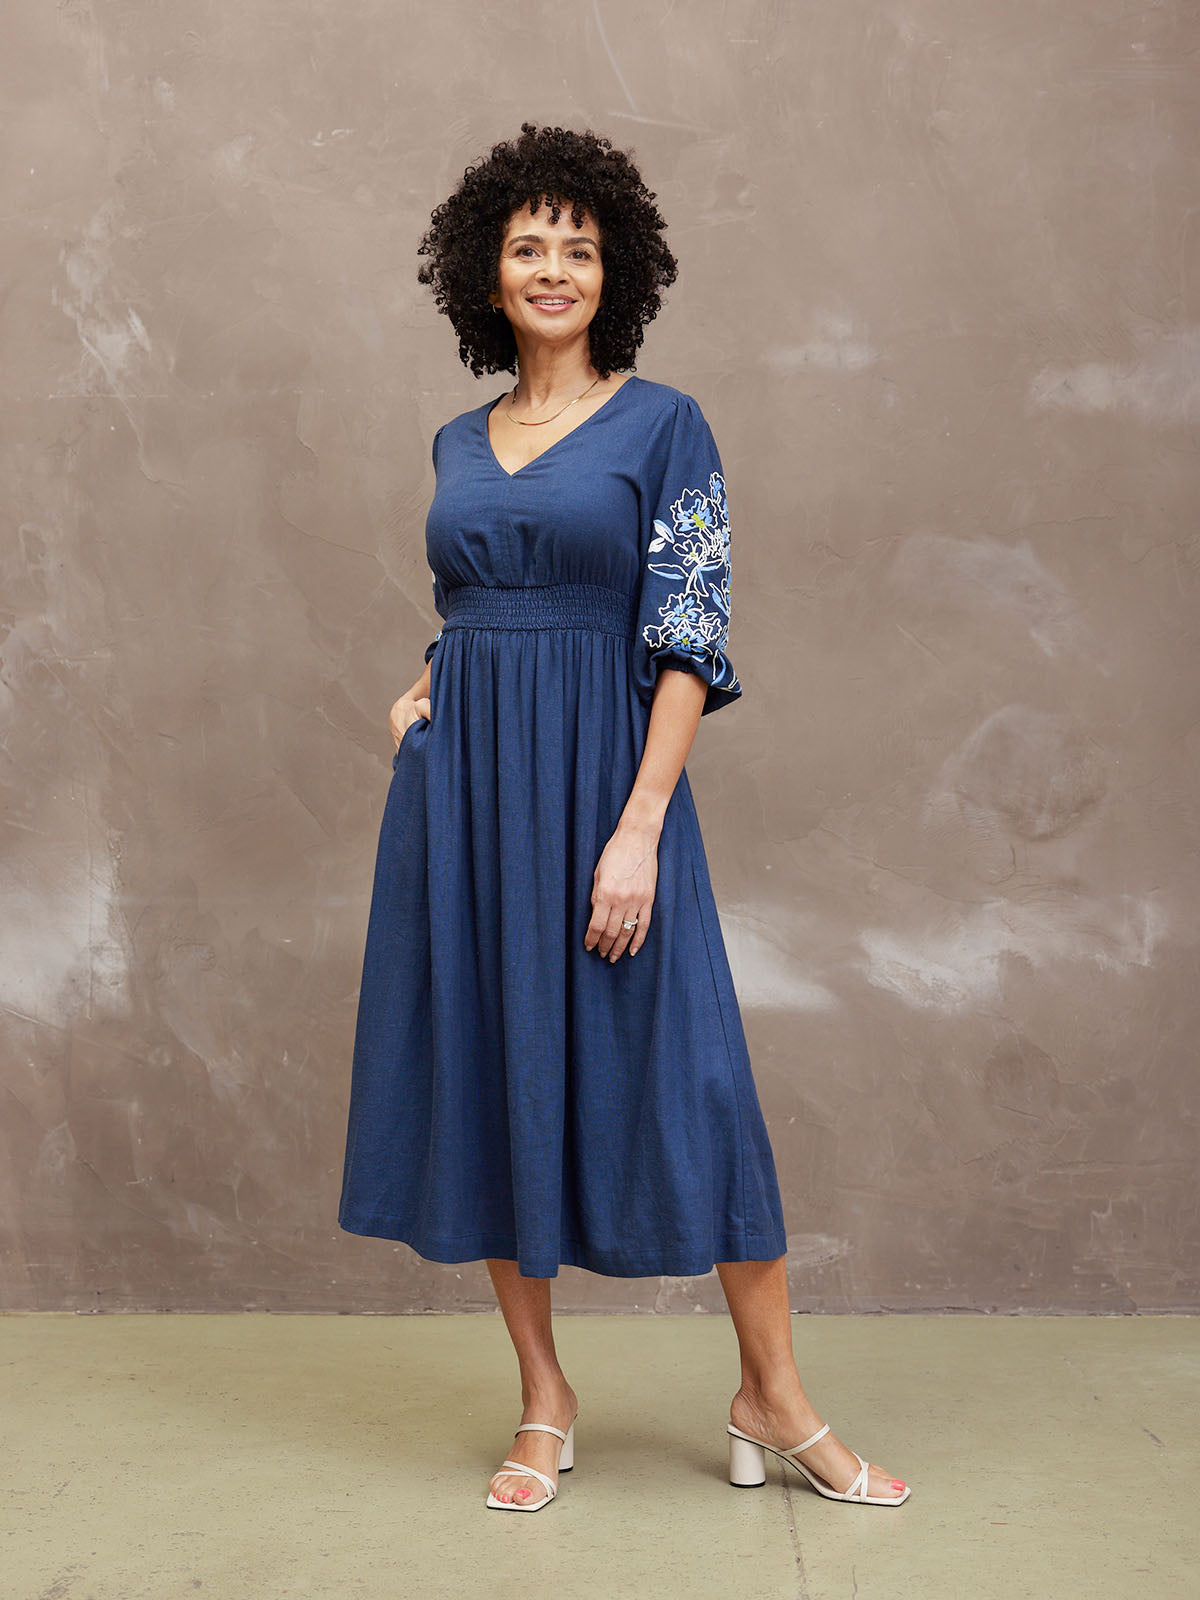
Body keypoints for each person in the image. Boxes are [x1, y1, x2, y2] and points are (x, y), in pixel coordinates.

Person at [338, 122, 909, 1514]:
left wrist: (641, 822)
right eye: (527, 246)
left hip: (608, 782)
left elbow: (686, 631)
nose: (551, 268)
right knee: (493, 1075)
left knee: (693, 1079)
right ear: (485, 273)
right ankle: (544, 1404)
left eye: (577, 249)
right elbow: (481, 602)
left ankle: (773, 1397)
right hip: (468, 795)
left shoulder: (667, 423)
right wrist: (425, 686)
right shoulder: (456, 439)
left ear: (617, 274)